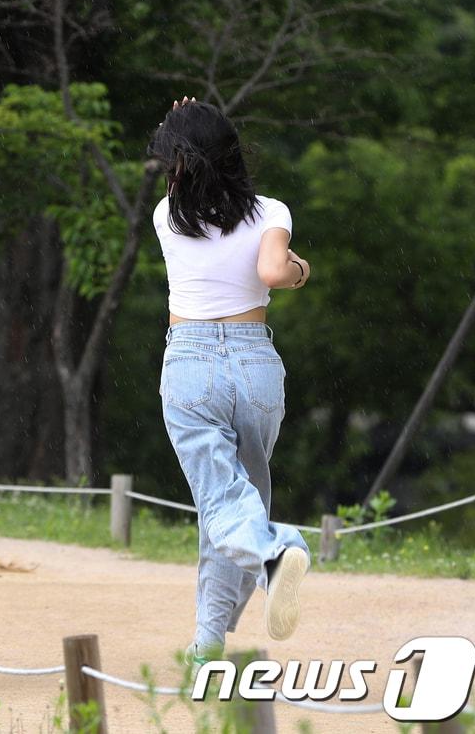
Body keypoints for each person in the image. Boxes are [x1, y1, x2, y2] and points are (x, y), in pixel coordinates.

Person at [148, 97, 313, 662]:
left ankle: (273, 554)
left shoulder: (167, 215)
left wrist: (182, 123)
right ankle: (208, 641)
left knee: (221, 503)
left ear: (180, 163)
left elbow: (187, 168)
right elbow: (272, 271)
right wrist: (299, 272)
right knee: (236, 501)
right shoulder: (271, 212)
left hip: (191, 365)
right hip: (254, 365)